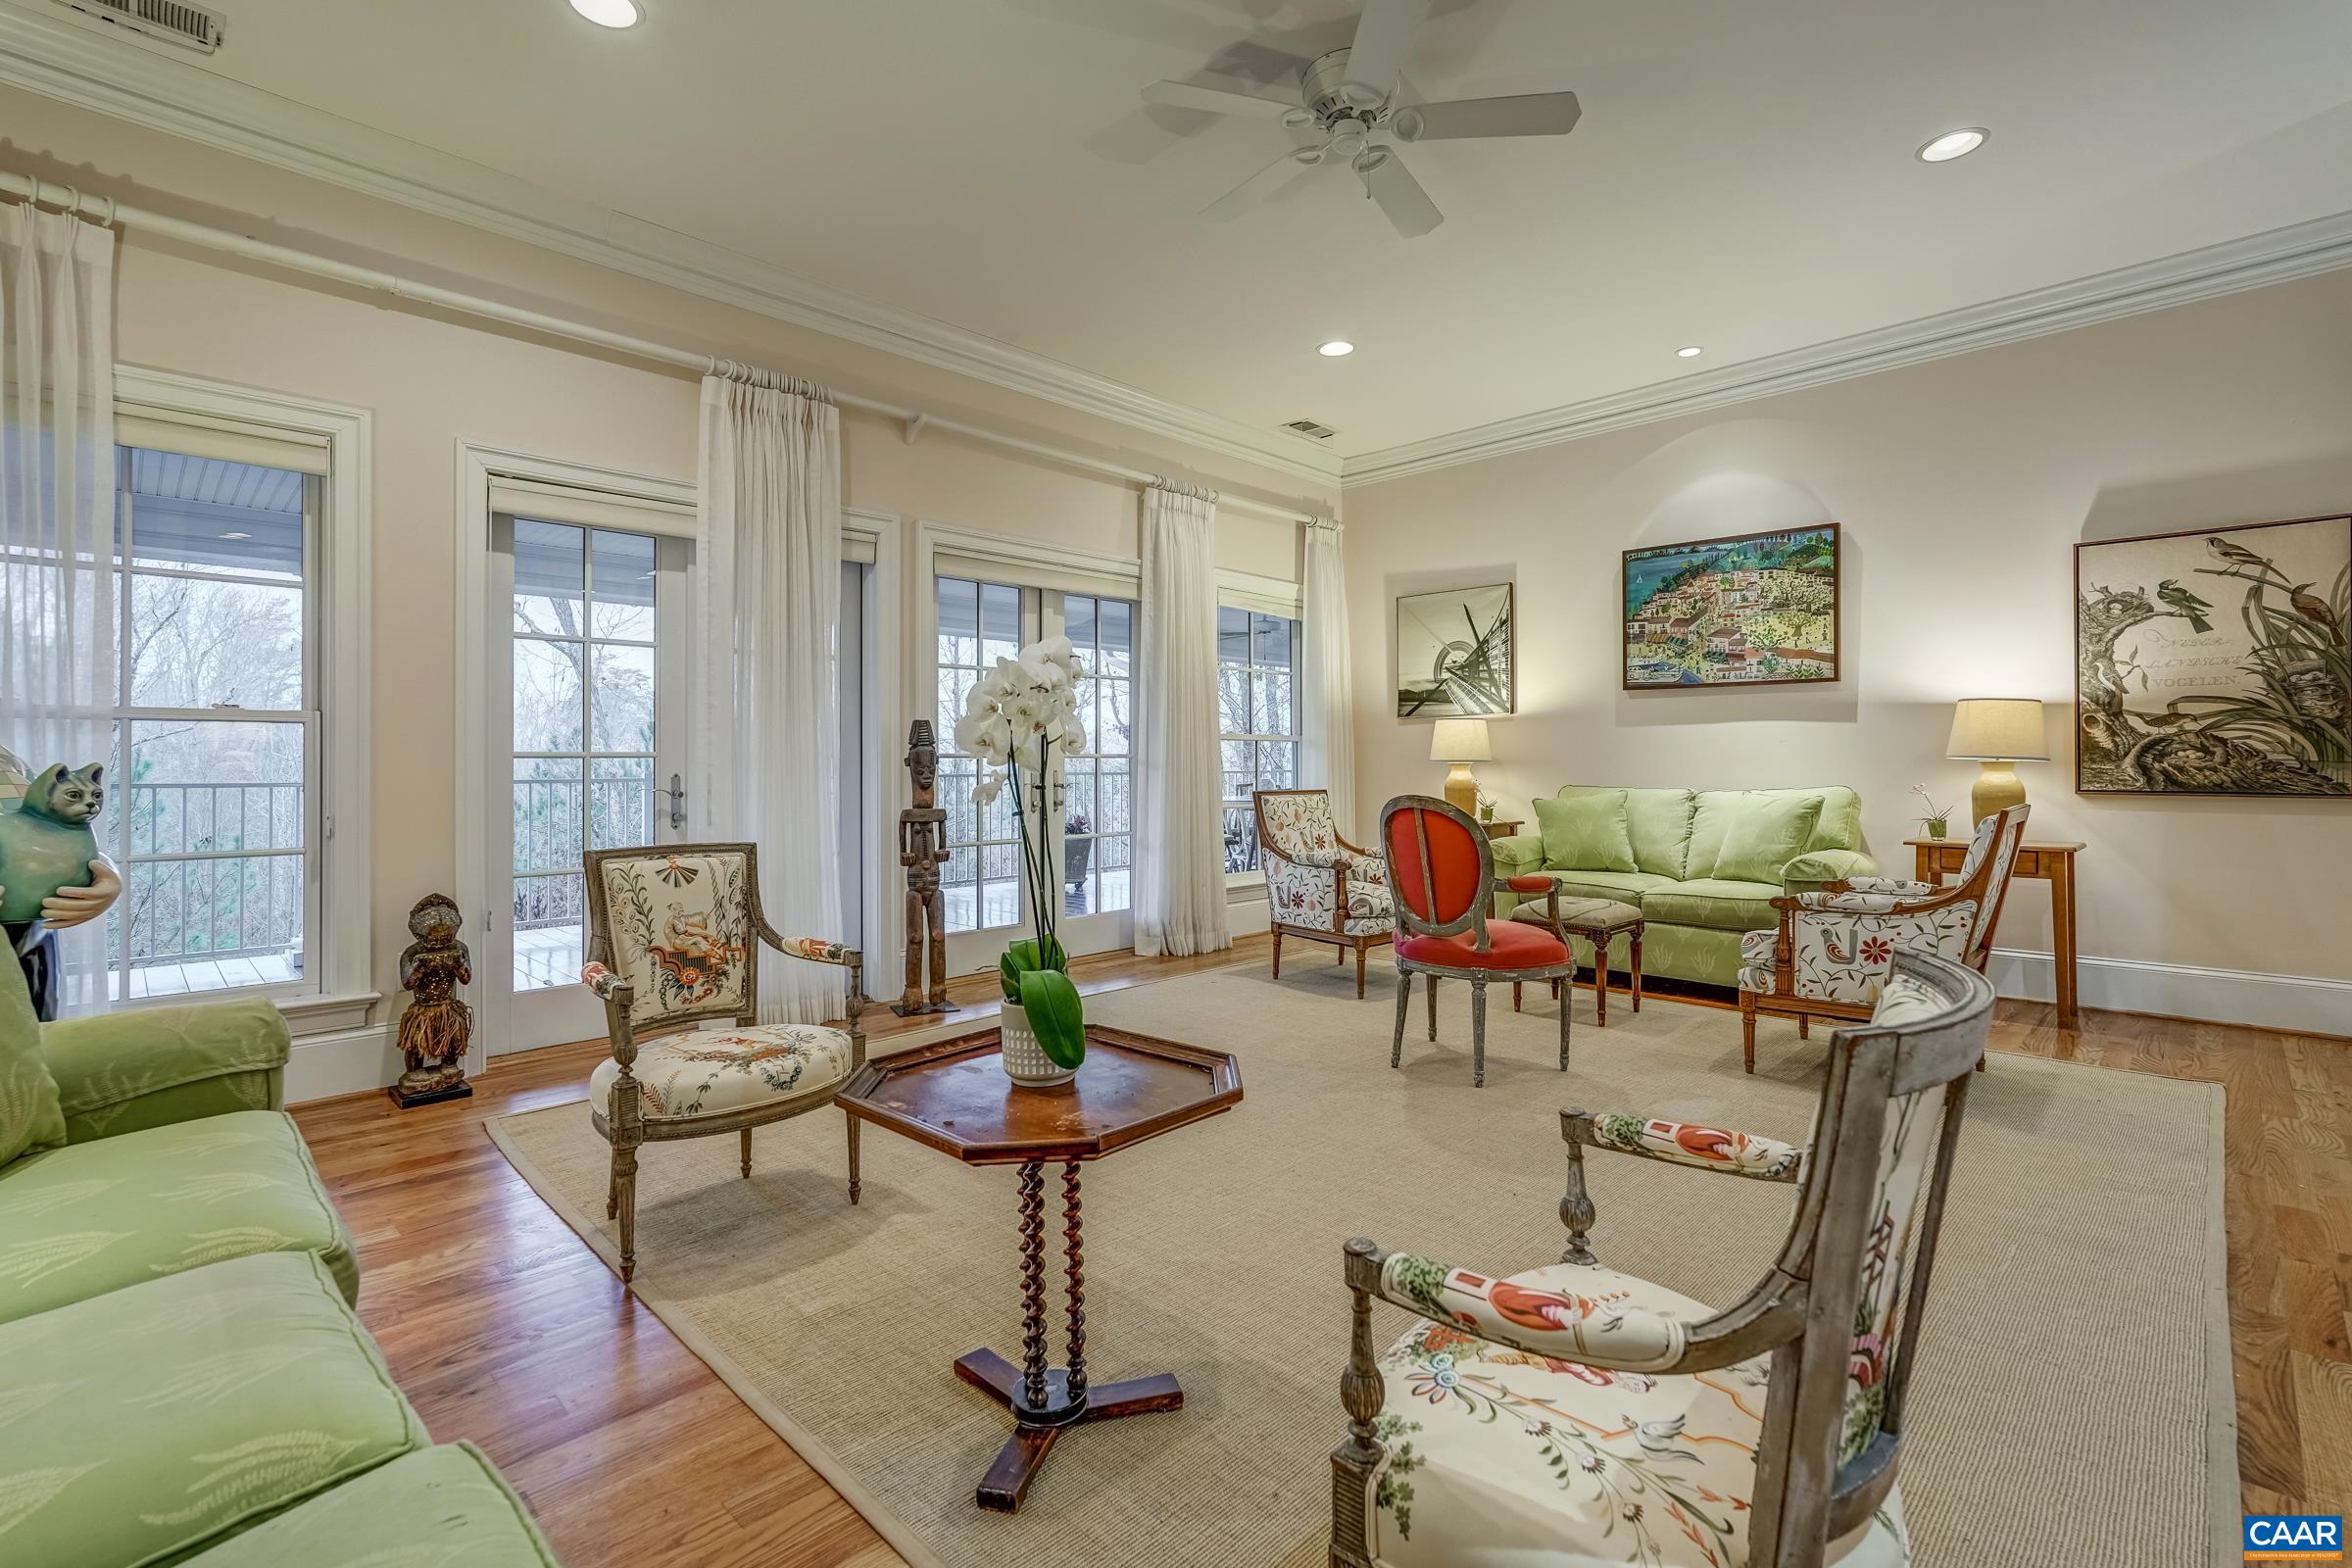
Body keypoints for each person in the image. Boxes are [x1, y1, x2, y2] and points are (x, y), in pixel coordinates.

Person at [0, 745, 122, 1020]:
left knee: (39, 1039)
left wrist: (107, 874)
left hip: (32, 934)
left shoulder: (6, 758)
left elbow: (45, 831)